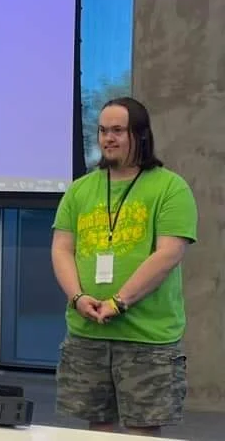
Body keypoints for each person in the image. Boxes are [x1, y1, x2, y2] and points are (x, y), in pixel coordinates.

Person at [50, 97, 197, 437]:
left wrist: (119, 301)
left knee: (142, 430)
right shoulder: (80, 189)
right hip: (87, 333)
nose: (108, 138)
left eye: (117, 130)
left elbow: (168, 254)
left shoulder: (170, 187)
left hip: (147, 337)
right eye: (103, 131)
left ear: (140, 135)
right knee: (96, 429)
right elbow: (61, 248)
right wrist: (77, 297)